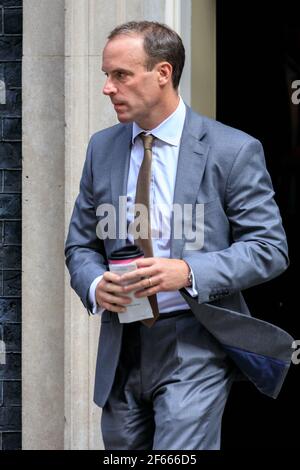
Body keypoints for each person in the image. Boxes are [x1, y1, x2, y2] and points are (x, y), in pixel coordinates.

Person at [65, 21, 293, 450]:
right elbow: (81, 244)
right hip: (122, 344)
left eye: (121, 75)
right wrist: (96, 284)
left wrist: (187, 270)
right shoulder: (102, 148)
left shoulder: (232, 149)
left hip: (195, 341)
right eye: (106, 76)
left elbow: (269, 248)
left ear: (163, 73)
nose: (108, 88)